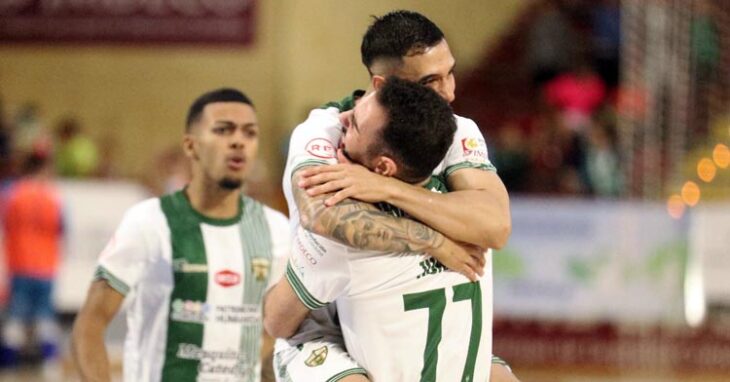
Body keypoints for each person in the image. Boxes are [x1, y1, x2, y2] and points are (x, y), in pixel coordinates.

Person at [265, 10, 515, 382]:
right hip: (325, 327)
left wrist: (387, 189)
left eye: (450, 72)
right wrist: (435, 242)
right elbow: (324, 217)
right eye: (430, 81)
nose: (449, 92)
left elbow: (495, 225)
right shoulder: (326, 129)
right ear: (384, 86)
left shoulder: (455, 128)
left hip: (405, 329)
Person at [71, 88, 290, 382]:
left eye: (250, 133)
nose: (239, 141)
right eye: (223, 130)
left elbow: (272, 338)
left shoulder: (276, 229)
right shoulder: (149, 222)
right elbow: (90, 322)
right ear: (191, 146)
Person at [0, 152, 63, 367]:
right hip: (46, 266)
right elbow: (63, 229)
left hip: (19, 264)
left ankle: (9, 364)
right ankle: (49, 365)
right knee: (44, 315)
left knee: (16, 316)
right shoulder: (54, 197)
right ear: (43, 170)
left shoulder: (12, 193)